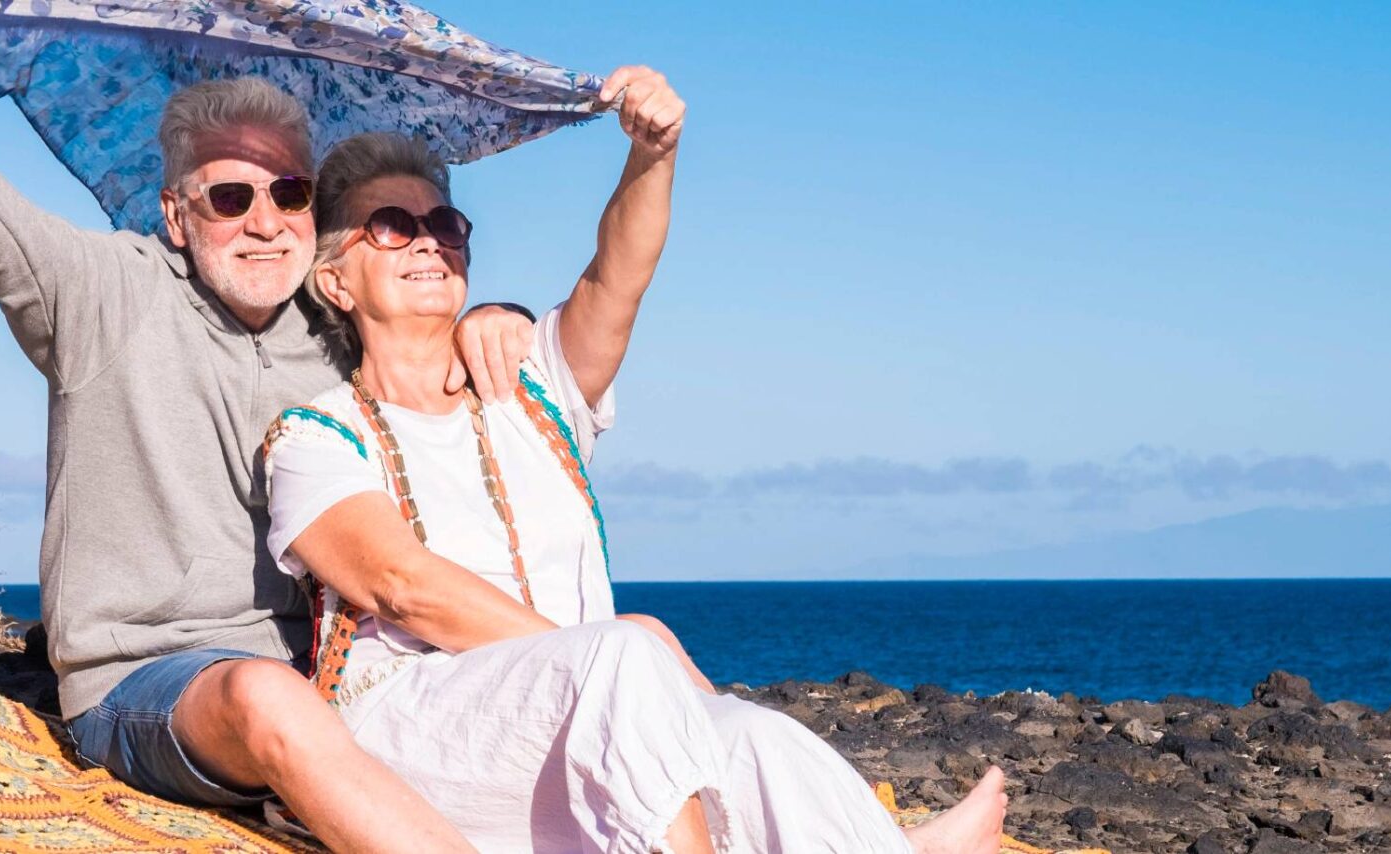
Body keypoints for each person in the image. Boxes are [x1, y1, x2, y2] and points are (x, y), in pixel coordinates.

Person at [0, 5, 540, 850]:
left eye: (290, 193)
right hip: (153, 681)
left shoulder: (337, 325)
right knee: (271, 701)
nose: (264, 222)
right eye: (230, 198)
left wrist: (498, 315)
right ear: (175, 215)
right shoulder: (105, 296)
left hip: (337, 671)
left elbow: (424, 309)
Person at [264, 67, 1012, 852]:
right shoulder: (317, 436)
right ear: (334, 282)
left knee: (755, 737)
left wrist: (653, 155)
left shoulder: (537, 387)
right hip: (420, 729)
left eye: (445, 223)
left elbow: (618, 276)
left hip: (595, 705)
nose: (427, 239)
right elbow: (401, 585)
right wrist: (596, 654)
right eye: (389, 224)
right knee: (629, 649)